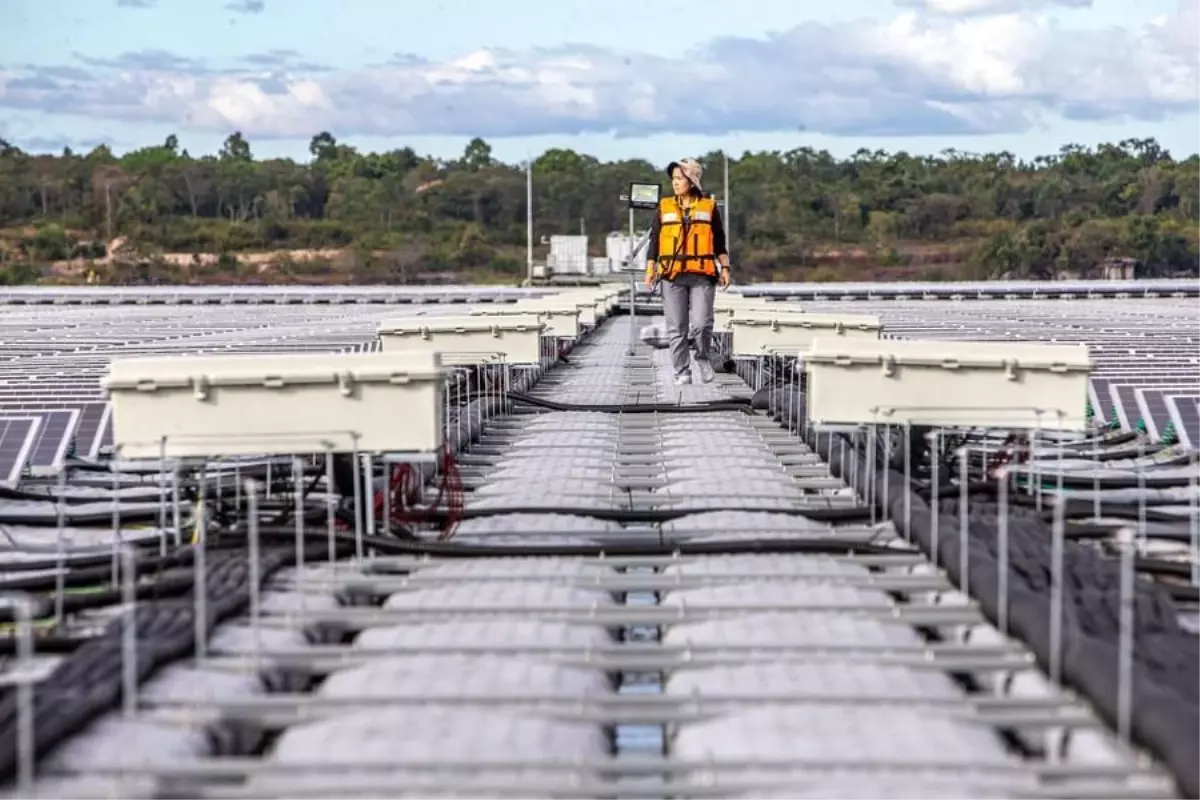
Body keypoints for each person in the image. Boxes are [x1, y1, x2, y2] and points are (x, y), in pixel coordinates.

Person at [644, 158, 732, 385]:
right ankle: (682, 371)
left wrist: (725, 267)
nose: (675, 183)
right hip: (671, 275)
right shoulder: (663, 207)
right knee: (677, 328)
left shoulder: (709, 207)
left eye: (680, 179)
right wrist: (650, 269)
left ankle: (702, 357)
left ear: (692, 182)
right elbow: (654, 241)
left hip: (702, 275)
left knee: (703, 323)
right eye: (673, 179)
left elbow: (719, 241)